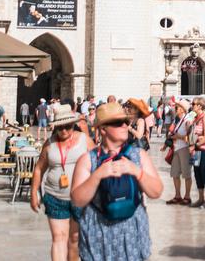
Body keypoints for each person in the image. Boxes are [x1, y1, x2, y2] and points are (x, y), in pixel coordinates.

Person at [70, 102, 163, 261]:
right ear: (103, 128)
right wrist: (97, 176)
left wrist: (137, 172)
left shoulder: (138, 155)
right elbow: (77, 200)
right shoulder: (88, 160)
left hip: (132, 238)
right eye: (119, 123)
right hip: (98, 238)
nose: (125, 126)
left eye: (126, 122)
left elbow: (156, 191)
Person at [32, 103, 94, 261]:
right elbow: (39, 168)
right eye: (60, 127)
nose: (64, 131)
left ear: (73, 125)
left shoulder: (84, 140)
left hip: (80, 198)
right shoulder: (49, 144)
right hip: (54, 197)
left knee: (74, 239)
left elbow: (97, 164)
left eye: (68, 126)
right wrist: (34, 193)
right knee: (58, 238)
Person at [163, 100, 193, 205]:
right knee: (175, 173)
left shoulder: (188, 120)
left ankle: (187, 196)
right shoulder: (178, 120)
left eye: (177, 107)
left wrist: (177, 137)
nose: (175, 109)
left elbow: (190, 138)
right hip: (176, 148)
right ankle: (177, 196)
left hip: (184, 149)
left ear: (182, 109)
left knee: (186, 174)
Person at [189, 97, 205, 208]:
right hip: (196, 150)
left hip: (204, 150)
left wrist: (195, 145)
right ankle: (200, 199)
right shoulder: (195, 118)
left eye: (194, 104)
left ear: (200, 106)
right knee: (197, 174)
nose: (192, 105)